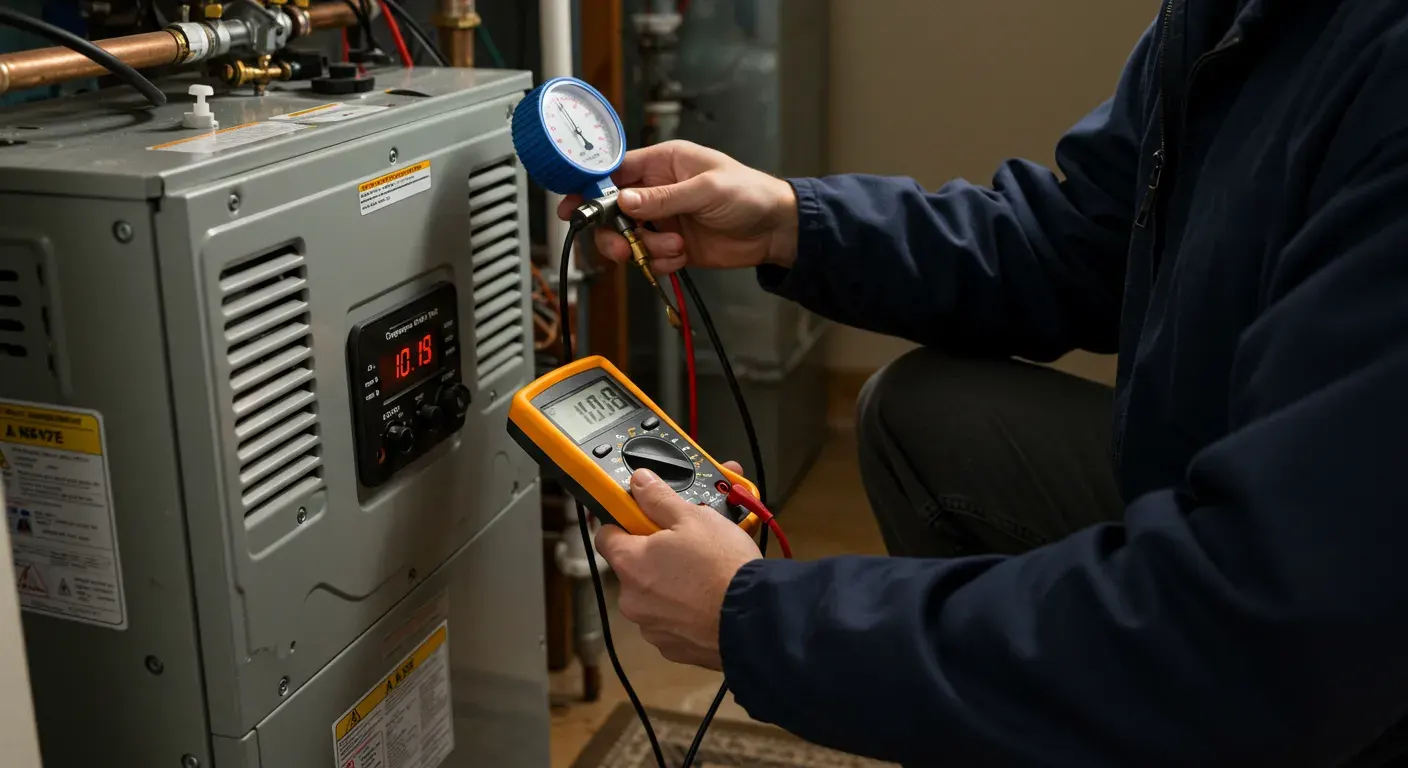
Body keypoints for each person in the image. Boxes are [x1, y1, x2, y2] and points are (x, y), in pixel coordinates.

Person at [563, 1, 1408, 764]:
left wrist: (760, 620)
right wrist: (792, 223)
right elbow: (1080, 241)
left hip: (1327, 651)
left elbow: (1265, 630)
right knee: (930, 418)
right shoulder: (1226, 18)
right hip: (1244, 508)